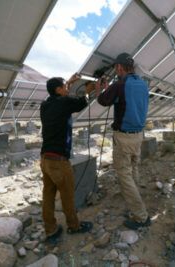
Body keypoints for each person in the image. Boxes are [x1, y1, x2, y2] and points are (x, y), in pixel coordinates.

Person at [95, 52, 151, 230]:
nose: (115, 71)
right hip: (138, 136)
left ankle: (140, 215)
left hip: (124, 137)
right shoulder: (143, 84)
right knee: (133, 169)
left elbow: (104, 100)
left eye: (116, 68)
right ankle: (135, 206)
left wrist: (99, 88)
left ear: (119, 67)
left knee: (124, 175)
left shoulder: (120, 84)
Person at [40, 74, 94, 245]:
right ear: (58, 90)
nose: (67, 88)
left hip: (45, 159)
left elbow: (61, 98)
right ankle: (74, 226)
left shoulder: (45, 105)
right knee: (67, 195)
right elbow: (80, 103)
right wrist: (88, 91)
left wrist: (69, 83)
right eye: (64, 86)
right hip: (59, 161)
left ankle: (51, 229)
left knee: (48, 196)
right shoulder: (64, 103)